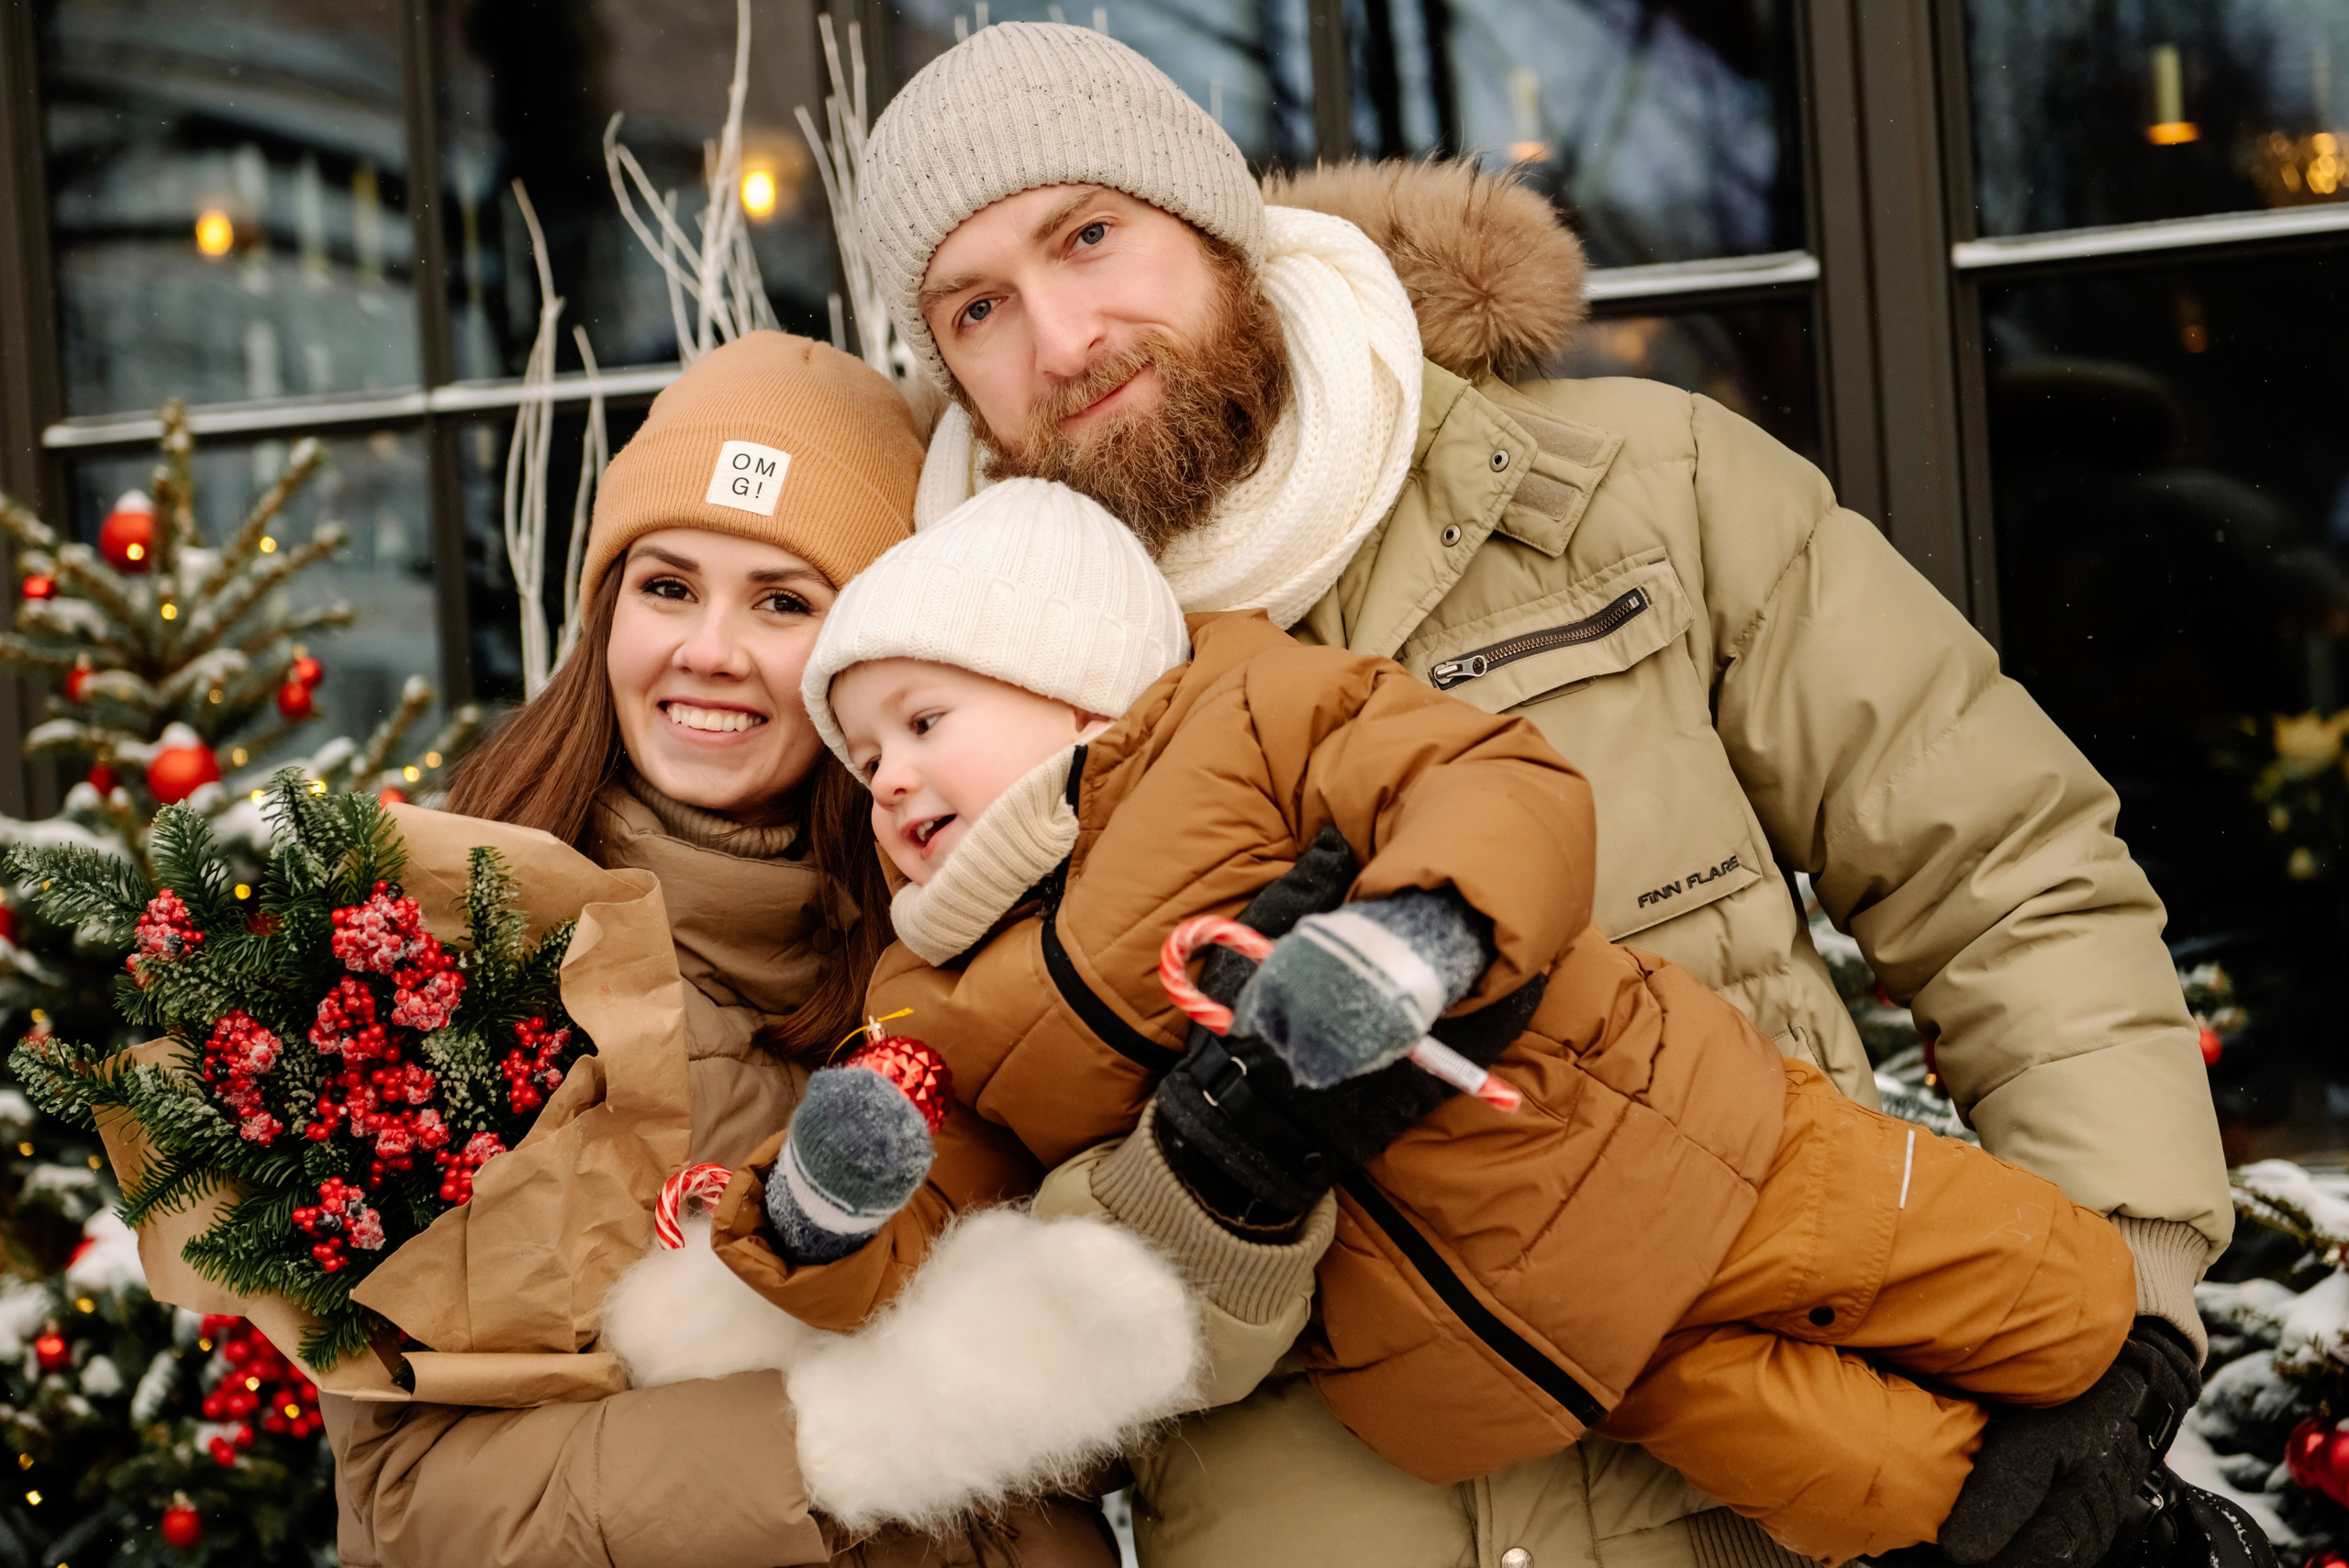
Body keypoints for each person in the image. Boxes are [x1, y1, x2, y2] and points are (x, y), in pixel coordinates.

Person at [850, 23, 2241, 1568]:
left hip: (1776, 1513)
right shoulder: (953, 747)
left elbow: (1998, 867)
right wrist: (1211, 1186)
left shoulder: (1633, 493)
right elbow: (1030, 1356)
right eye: (978, 306)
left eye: (1090, 234)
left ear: (1217, 222)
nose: (1061, 337)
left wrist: (2127, 1286)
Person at [707, 475, 2151, 1564]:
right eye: (866, 754)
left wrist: (1419, 930)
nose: (888, 779)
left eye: (922, 719)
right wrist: (827, 1216)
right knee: (1886, 1487)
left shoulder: (1249, 715)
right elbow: (957, 1226)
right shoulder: (936, 989)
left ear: (1068, 675)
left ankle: (2133, 1423)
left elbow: (1484, 781)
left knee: (2053, 1291)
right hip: (1513, 1351)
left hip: (1682, 1143)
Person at [318, 332, 1127, 1568]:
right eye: (667, 585)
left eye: (784, 601)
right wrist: (834, 1439)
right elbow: (417, 1501)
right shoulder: (456, 971)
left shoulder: (987, 939)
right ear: (606, 614)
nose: (709, 648)